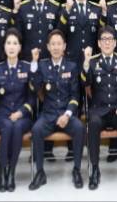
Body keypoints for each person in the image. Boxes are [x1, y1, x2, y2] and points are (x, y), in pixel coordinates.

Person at [29, 30, 85, 190]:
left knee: (80, 128)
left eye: (59, 44)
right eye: (52, 44)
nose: (55, 47)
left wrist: (67, 115)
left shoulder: (72, 66)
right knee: (36, 130)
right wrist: (34, 62)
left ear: (64, 46)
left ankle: (76, 170)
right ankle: (40, 172)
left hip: (66, 114)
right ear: (48, 46)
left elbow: (75, 96)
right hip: (48, 114)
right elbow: (35, 87)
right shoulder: (42, 65)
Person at [83, 26, 117, 190]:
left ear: (115, 43)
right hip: (98, 110)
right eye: (104, 39)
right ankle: (95, 169)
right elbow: (85, 83)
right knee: (93, 124)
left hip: (116, 110)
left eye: (110, 40)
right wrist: (86, 63)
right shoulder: (92, 61)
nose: (107, 43)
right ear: (99, 43)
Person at [0, 29, 34, 192]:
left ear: (20, 47)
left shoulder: (27, 67)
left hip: (22, 115)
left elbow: (32, 98)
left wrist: (21, 112)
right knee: (7, 126)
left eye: (15, 43)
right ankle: (2, 172)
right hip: (2, 115)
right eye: (8, 43)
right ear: (4, 46)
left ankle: (11, 172)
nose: (11, 47)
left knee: (17, 126)